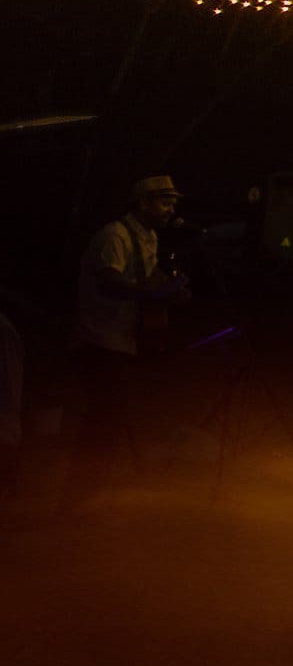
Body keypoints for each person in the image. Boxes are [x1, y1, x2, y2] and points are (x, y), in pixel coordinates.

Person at [62, 174, 190, 508]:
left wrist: (174, 290)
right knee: (103, 421)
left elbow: (148, 279)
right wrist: (156, 292)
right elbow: (109, 283)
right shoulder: (114, 235)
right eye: (165, 201)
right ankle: (77, 497)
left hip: (120, 340)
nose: (171, 208)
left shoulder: (147, 236)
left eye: (173, 202)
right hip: (98, 340)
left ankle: (85, 493)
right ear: (142, 204)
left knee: (108, 419)